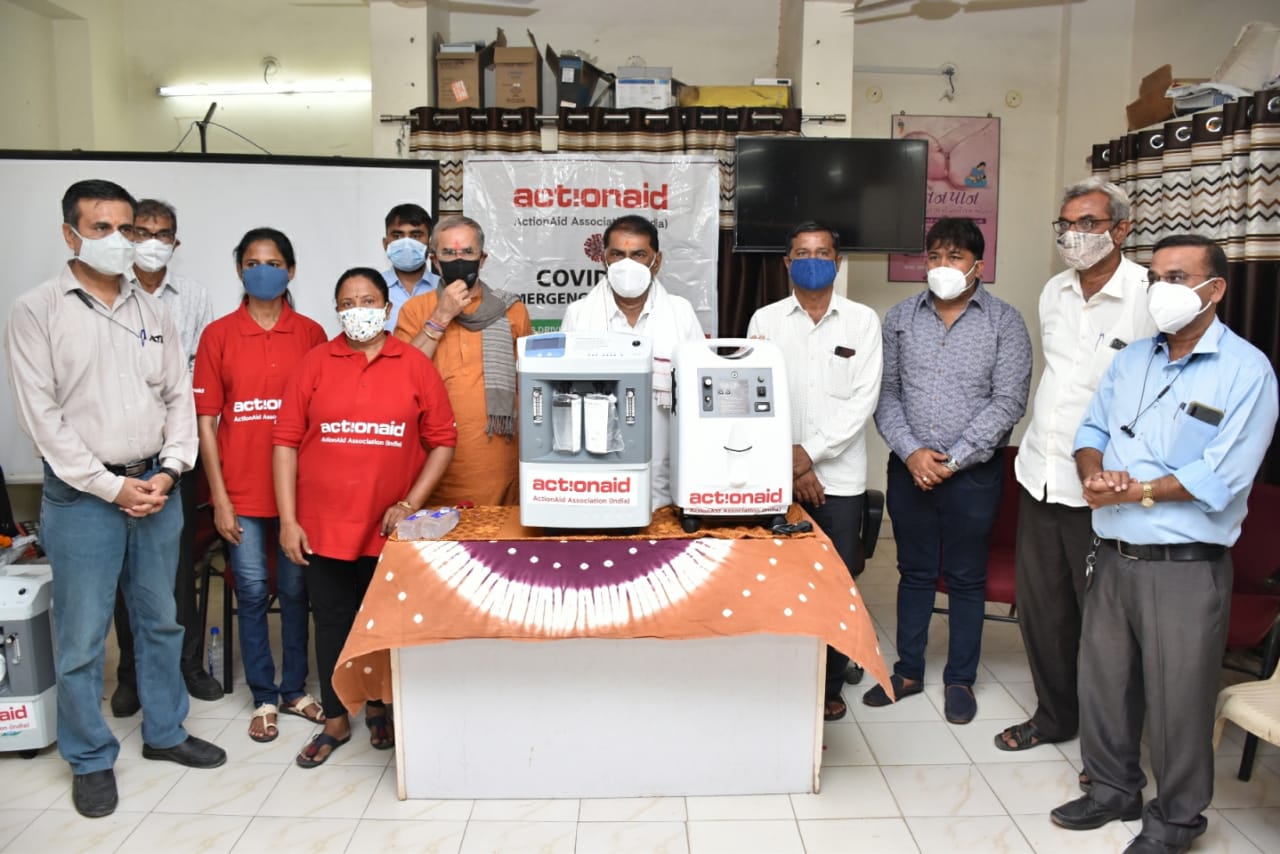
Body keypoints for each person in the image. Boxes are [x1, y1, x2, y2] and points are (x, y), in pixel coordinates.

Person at [4, 179, 225, 819]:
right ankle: (90, 757)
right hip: (83, 497)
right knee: (81, 637)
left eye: (125, 228)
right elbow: (41, 419)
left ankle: (165, 732)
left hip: (156, 486)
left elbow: (179, 397)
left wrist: (171, 470)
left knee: (162, 620)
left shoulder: (152, 310)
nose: (118, 240)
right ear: (70, 234)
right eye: (101, 228)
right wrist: (111, 486)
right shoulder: (36, 310)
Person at [1051, 235, 1278, 853]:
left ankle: (1177, 820)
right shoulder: (1132, 359)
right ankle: (1112, 789)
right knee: (1103, 684)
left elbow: (1223, 474)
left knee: (1180, 702)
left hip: (1185, 566)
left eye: (1177, 278)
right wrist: (1093, 474)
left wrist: (1137, 490)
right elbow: (1091, 429)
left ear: (1214, 289)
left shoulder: (1246, 371)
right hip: (1114, 555)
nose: (1160, 290)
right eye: (1155, 278)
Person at [995, 178, 1155, 754]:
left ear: (1121, 230)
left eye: (1089, 223)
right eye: (1065, 224)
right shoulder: (1054, 291)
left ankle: (1111, 751)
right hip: (1041, 474)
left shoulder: (1149, 296)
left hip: (1104, 489)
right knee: (1044, 613)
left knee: (1107, 628)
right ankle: (1055, 716)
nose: (1073, 235)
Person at [274, 267, 457, 767]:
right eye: (348, 303)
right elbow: (285, 442)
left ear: (387, 308)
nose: (359, 311)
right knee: (332, 621)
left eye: (369, 301)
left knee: (381, 622)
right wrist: (288, 521)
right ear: (337, 310)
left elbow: (443, 441)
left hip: (386, 530)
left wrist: (410, 503)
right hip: (323, 526)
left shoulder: (414, 364)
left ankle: (378, 707)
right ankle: (336, 719)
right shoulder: (315, 363)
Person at [866, 216, 1031, 724]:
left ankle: (960, 679)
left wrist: (954, 459)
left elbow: (1009, 401)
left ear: (978, 265)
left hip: (974, 474)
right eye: (935, 256)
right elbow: (886, 394)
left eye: (954, 257)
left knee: (965, 576)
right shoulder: (900, 318)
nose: (942, 265)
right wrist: (913, 452)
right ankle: (908, 671)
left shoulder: (1005, 323)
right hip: (909, 469)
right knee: (914, 572)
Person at [194, 228, 329, 744]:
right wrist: (220, 500)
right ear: (239, 271)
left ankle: (294, 689)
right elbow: (206, 423)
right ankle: (263, 696)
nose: (263, 271)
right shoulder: (218, 335)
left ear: (291, 271)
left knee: (296, 593)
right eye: (252, 263)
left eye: (273, 263)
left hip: (299, 494)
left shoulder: (311, 334)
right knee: (251, 592)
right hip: (242, 493)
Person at [746, 221, 882, 722]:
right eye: (802, 252)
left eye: (822, 252)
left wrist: (811, 454)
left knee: (836, 584)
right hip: (778, 477)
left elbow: (863, 400)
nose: (812, 260)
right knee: (780, 583)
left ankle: (829, 683)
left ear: (838, 262)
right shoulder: (764, 320)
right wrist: (793, 462)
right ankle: (782, 678)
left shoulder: (862, 322)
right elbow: (755, 396)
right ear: (787, 262)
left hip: (840, 481)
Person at [110, 198, 221, 717]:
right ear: (128, 236)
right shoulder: (110, 293)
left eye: (163, 234)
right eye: (143, 232)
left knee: (178, 568)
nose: (152, 243)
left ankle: (189, 665)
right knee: (123, 573)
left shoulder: (194, 297)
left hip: (176, 451)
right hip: (117, 453)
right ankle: (130, 675)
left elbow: (198, 376)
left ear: (176, 242)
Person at [560, 215, 704, 509]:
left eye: (638, 255)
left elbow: (699, 393)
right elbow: (562, 394)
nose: (627, 264)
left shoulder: (681, 314)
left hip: (665, 484)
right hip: (596, 482)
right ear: (604, 260)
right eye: (618, 254)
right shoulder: (579, 314)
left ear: (656, 261)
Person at [394, 215, 532, 506]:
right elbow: (401, 377)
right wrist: (441, 315)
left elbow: (529, 386)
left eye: (468, 252)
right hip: (432, 456)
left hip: (496, 459)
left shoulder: (512, 310)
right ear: (434, 260)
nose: (459, 260)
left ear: (482, 259)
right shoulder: (415, 310)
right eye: (449, 253)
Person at [381, 202, 439, 330]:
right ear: (385, 244)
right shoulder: (371, 289)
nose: (406, 244)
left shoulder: (444, 289)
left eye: (416, 236)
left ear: (430, 244)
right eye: (397, 236)